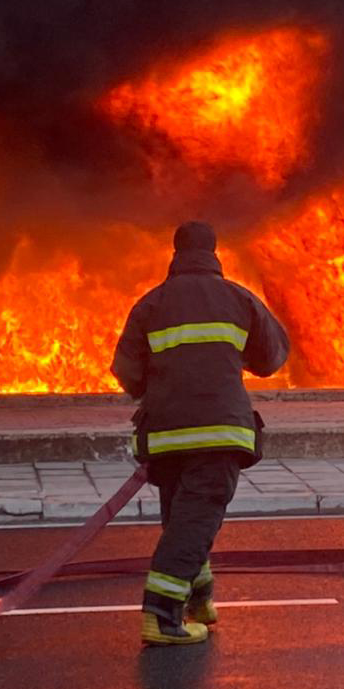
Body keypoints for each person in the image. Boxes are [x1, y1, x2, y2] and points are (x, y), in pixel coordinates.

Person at [111, 221, 290, 646]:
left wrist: (157, 387)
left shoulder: (151, 304)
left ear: (175, 253)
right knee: (195, 522)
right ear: (214, 252)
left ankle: (198, 601)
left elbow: (127, 371)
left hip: (166, 436)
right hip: (219, 434)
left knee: (182, 520)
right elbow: (271, 357)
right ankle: (161, 618)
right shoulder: (238, 298)